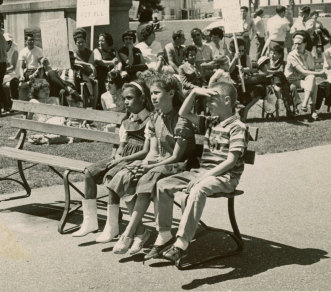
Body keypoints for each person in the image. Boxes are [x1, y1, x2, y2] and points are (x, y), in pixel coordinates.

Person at [151, 83, 249, 265]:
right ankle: (164, 235)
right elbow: (183, 113)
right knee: (162, 185)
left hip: (226, 177)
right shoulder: (211, 122)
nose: (208, 101)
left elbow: (231, 161)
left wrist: (203, 177)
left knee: (198, 189)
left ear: (226, 100)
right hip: (203, 172)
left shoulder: (237, 127)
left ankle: (180, 245)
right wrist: (195, 92)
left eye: (212, 98)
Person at [108, 74, 196, 254]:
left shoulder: (182, 120)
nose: (153, 97)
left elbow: (176, 156)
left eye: (157, 93)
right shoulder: (155, 118)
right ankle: (140, 232)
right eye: (151, 93)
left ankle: (128, 233)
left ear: (171, 93)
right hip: (159, 162)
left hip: (178, 165)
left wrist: (149, 167)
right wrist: (142, 164)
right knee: (125, 175)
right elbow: (154, 152)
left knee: (149, 176)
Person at [74, 80, 153, 238]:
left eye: (129, 98)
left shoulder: (150, 120)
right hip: (122, 157)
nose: (125, 102)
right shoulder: (126, 120)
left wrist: (120, 160)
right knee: (89, 172)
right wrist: (116, 154)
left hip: (137, 159)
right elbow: (121, 144)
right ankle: (90, 221)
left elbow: (147, 151)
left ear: (143, 98)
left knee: (112, 178)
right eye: (124, 98)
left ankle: (112, 226)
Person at [285, 31, 325, 121]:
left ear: (305, 43)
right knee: (313, 82)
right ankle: (312, 110)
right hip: (292, 80)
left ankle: (306, 105)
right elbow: (303, 71)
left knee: (312, 79)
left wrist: (314, 75)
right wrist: (321, 74)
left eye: (299, 44)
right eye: (295, 44)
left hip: (303, 80)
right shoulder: (291, 55)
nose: (297, 46)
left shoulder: (308, 53)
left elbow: (310, 70)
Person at [227, 38, 267, 121]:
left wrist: (244, 69)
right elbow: (229, 70)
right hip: (235, 82)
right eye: (239, 51)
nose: (241, 53)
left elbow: (250, 68)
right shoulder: (229, 57)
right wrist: (235, 58)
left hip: (246, 81)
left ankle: (246, 109)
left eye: (243, 50)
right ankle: (242, 113)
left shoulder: (246, 57)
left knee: (261, 89)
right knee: (238, 91)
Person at [257, 49, 297, 117]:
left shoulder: (281, 63)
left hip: (280, 84)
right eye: (271, 53)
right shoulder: (265, 67)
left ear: (280, 55)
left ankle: (289, 108)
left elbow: (281, 72)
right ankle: (286, 108)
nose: (272, 55)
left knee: (288, 88)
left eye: (274, 53)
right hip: (271, 86)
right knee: (282, 88)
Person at [72, 28, 97, 107]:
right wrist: (86, 64)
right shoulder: (73, 53)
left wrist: (83, 65)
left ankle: (94, 104)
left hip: (87, 75)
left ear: (85, 42)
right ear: (75, 43)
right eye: (78, 42)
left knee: (95, 82)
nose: (80, 44)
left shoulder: (90, 53)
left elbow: (89, 68)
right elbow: (73, 62)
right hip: (76, 75)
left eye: (82, 42)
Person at [93, 32, 122, 99]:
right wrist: (111, 62)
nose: (100, 43)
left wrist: (118, 70)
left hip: (114, 73)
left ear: (108, 41)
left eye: (102, 41)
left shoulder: (114, 51)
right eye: (99, 41)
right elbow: (99, 61)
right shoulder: (97, 50)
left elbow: (119, 62)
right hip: (103, 74)